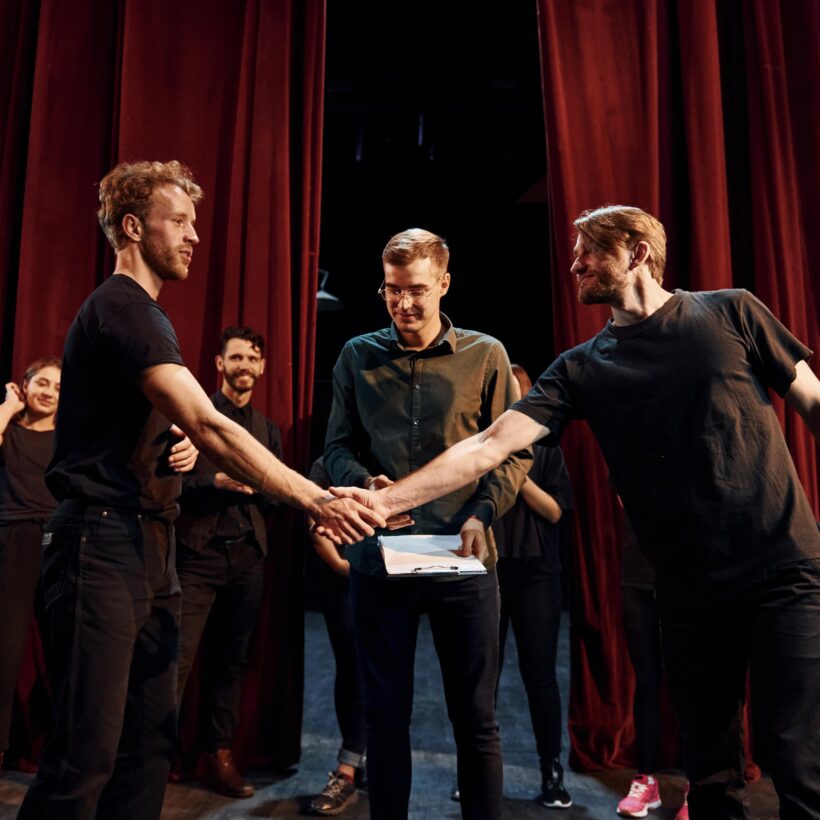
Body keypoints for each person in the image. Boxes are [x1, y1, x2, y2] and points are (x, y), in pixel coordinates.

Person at [331, 205, 820, 820]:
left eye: (588, 251)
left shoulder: (732, 311)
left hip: (781, 566)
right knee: (712, 770)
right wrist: (380, 502)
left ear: (637, 253)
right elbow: (488, 446)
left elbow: (813, 401)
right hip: (689, 589)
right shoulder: (583, 367)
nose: (574, 264)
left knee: (794, 754)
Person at [16, 160, 384, 820]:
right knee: (85, 757)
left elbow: (168, 427)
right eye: (178, 221)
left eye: (195, 223)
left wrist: (170, 448)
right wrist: (317, 498)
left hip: (149, 543)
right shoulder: (122, 307)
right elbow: (211, 423)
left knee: (147, 746)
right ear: (133, 226)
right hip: (99, 545)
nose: (192, 236)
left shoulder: (144, 316)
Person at [323, 228, 531, 820]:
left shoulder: (486, 355)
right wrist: (366, 483)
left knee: (476, 719)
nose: (403, 304)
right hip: (379, 559)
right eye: (392, 291)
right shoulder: (355, 356)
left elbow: (511, 452)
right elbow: (335, 447)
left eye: (416, 290)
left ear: (443, 283)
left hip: (463, 561)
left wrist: (482, 513)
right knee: (384, 715)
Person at [175, 325, 283, 798]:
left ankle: (219, 757)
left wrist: (259, 487)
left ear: (261, 368)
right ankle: (151, 758)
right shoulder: (194, 418)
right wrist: (214, 481)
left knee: (231, 663)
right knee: (173, 660)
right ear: (219, 363)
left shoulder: (268, 430)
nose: (244, 365)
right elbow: (169, 485)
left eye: (251, 358)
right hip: (195, 557)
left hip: (247, 561)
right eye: (235, 357)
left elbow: (281, 498)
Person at [494, 364, 573, 810]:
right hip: (489, 570)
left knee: (540, 676)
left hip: (538, 574)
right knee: (484, 679)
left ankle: (551, 770)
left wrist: (516, 476)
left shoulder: (546, 451)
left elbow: (556, 512)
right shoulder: (479, 449)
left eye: (518, 395)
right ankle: (477, 770)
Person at [0, 357, 61, 773]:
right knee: (4, 653)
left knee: (68, 654)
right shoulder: (9, 432)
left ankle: (61, 753)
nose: (49, 392)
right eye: (42, 382)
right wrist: (5, 409)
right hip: (14, 542)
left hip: (59, 543)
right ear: (24, 386)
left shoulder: (68, 437)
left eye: (58, 387)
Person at [306, 456, 367, 817]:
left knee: (382, 671)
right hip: (345, 581)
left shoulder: (389, 448)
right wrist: (344, 567)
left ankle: (362, 760)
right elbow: (314, 527)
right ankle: (347, 768)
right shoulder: (327, 463)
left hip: (388, 578)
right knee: (353, 668)